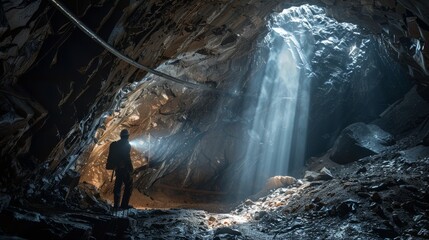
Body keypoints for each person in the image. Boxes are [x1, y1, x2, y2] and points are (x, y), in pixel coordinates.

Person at [108, 129, 134, 209]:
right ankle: (124, 205)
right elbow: (127, 157)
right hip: (124, 169)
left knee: (118, 186)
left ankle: (116, 205)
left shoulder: (116, 144)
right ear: (127, 136)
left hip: (118, 169)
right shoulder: (127, 144)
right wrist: (131, 167)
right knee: (129, 185)